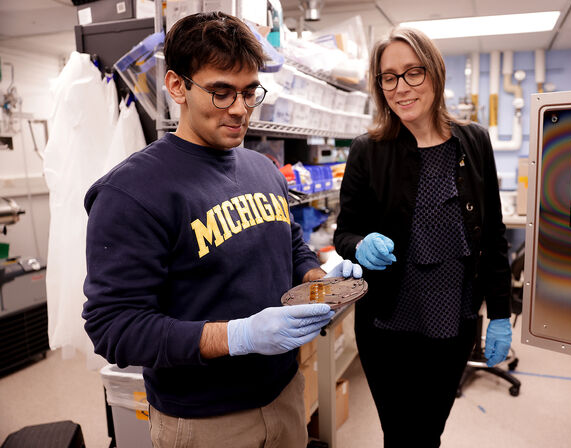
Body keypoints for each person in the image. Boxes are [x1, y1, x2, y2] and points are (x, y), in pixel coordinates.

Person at [82, 12, 361, 448]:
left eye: (250, 92)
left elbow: (288, 247)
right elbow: (114, 327)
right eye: (221, 92)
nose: (240, 109)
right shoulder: (132, 192)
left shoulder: (263, 169)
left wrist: (318, 282)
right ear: (177, 86)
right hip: (204, 420)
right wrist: (238, 335)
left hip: (285, 393)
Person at [334, 27, 512, 447]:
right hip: (388, 325)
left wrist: (501, 312)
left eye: (413, 72)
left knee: (429, 432)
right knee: (399, 434)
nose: (401, 87)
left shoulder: (474, 142)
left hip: (455, 323)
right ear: (379, 86)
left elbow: (493, 236)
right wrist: (359, 246)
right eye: (389, 77)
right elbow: (345, 232)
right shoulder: (368, 150)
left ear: (435, 74)